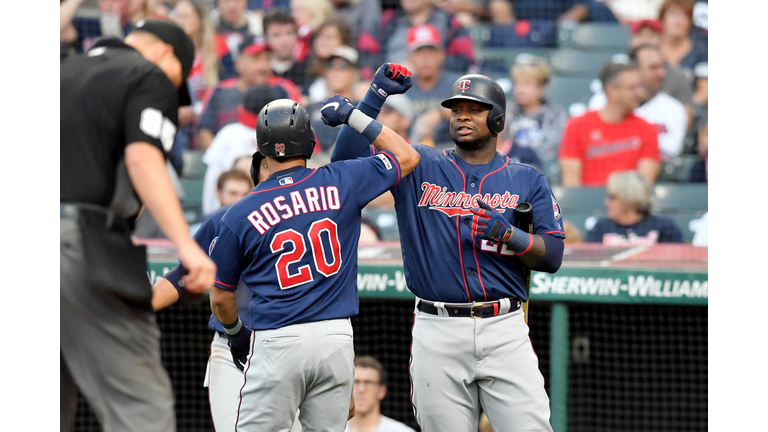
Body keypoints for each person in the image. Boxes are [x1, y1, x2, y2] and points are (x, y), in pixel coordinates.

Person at [332, 64, 565, 431]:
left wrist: (510, 235)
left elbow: (552, 256)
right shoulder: (421, 163)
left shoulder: (527, 178)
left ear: (498, 118)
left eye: (475, 109)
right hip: (436, 329)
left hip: (504, 327)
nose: (463, 116)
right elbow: (343, 165)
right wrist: (373, 98)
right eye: (456, 109)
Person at [208, 94, 420, 431]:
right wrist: (355, 117)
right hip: (334, 338)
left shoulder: (240, 211)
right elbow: (407, 156)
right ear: (309, 142)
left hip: (276, 338)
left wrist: (235, 335)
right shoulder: (341, 179)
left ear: (262, 151)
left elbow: (220, 295)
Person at [60, 19, 216, 432]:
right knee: (141, 410)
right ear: (167, 53)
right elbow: (143, 159)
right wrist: (186, 245)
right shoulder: (147, 74)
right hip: (76, 242)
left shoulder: (57, 69)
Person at [151, 152, 305, 432]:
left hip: (292, 344)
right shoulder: (225, 218)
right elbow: (181, 276)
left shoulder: (309, 217)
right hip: (234, 348)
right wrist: (138, 306)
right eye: (267, 168)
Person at [559, 60, 661, 186]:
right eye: (632, 88)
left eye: (639, 87)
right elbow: (572, 183)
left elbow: (644, 184)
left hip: (629, 203)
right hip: (587, 203)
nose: (638, 93)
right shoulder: (577, 126)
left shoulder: (647, 129)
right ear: (611, 91)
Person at [196, 38, 302, 150]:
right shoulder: (219, 91)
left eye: (267, 59)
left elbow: (298, 132)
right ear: (239, 63)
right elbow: (203, 132)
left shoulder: (284, 90)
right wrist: (225, 158)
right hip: (227, 161)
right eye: (255, 59)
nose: (263, 67)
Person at [588, 44, 688, 160]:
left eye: (662, 67)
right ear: (634, 69)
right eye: (653, 68)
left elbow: (668, 154)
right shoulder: (604, 99)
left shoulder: (674, 108)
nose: (661, 73)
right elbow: (593, 146)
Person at [202, 84, 289, 215]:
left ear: (241, 109)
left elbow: (212, 181)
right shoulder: (281, 137)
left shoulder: (228, 133)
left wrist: (209, 215)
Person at [363, 0, 475, 76]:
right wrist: (385, 72)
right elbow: (366, 57)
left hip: (436, 88)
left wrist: (421, 67)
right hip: (391, 87)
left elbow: (464, 60)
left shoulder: (450, 22)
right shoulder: (386, 21)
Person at [503, 55, 568, 176]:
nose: (519, 90)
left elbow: (551, 150)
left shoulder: (555, 114)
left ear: (541, 87)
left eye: (526, 84)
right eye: (517, 83)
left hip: (542, 173)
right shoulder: (507, 111)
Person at [404, 23, 463, 149]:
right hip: (411, 150)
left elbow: (472, 114)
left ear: (441, 55)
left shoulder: (457, 84)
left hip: (453, 150)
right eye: (419, 52)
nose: (425, 58)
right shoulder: (401, 88)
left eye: (430, 51)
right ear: (410, 57)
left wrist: (440, 113)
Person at [585, 170, 683, 245]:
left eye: (613, 198)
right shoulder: (600, 227)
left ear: (630, 198)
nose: (606, 202)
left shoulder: (664, 226)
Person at [628, 19, 694, 111]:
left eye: (651, 35)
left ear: (661, 39)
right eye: (640, 35)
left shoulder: (677, 76)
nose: (646, 40)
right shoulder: (618, 70)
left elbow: (686, 115)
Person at [305, 46, 363, 152]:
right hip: (314, 162)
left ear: (355, 74)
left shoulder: (363, 109)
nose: (335, 71)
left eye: (343, 66)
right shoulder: (310, 108)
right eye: (330, 65)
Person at [345, 356, 416, 432]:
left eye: (368, 382)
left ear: (382, 391)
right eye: (356, 382)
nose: (361, 389)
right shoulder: (334, 429)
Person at [304, 18, 356, 103]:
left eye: (329, 37)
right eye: (318, 36)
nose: (321, 42)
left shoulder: (355, 69)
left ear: (343, 41)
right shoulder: (309, 72)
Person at [263, 8, 312, 88]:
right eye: (277, 35)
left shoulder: (307, 72)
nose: (284, 41)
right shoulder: (261, 73)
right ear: (266, 38)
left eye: (289, 33)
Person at [658, 0, 707, 77]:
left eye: (684, 16)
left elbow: (705, 87)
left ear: (690, 22)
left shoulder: (701, 52)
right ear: (662, 19)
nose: (678, 22)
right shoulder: (650, 50)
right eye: (673, 15)